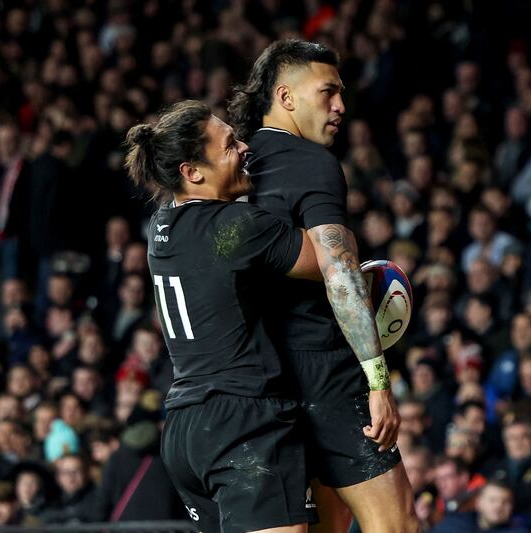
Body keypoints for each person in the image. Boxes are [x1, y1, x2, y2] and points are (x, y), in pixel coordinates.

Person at [228, 39, 416, 532]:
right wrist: (378, 382)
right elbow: (341, 276)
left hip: (256, 381)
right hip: (325, 373)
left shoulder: (231, 168)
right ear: (286, 97)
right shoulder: (313, 163)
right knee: (398, 526)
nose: (340, 106)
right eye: (328, 91)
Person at [124, 100, 323, 533]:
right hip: (244, 421)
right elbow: (326, 260)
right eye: (230, 144)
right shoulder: (235, 225)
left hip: (184, 429)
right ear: (192, 172)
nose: (246, 146)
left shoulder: (160, 226)